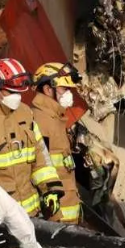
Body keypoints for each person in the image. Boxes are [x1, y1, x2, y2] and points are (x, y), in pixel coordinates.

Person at [0, 58, 62, 219]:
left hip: (32, 214)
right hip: (0, 218)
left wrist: (50, 189)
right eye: (10, 91)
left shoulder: (25, 113)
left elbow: (41, 157)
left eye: (18, 92)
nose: (16, 96)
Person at [30, 63, 82, 224]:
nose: (69, 94)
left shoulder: (54, 118)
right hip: (58, 217)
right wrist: (54, 214)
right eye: (64, 89)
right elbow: (39, 167)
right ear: (47, 89)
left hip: (67, 210)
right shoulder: (41, 121)